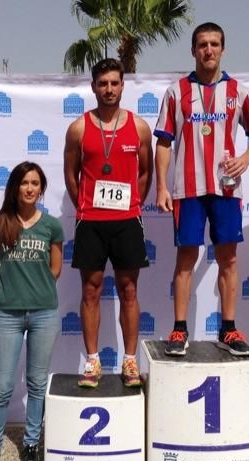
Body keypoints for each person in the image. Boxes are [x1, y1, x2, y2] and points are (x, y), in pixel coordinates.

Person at [154, 22, 249, 356]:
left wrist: (246, 158)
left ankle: (229, 329)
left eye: (214, 44)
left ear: (223, 49)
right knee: (186, 258)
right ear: (193, 50)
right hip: (187, 189)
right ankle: (179, 330)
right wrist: (161, 185)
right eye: (202, 44)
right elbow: (163, 143)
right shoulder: (176, 92)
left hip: (226, 189)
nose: (208, 50)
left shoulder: (239, 91)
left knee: (228, 259)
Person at [63, 58, 153, 388]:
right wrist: (84, 206)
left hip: (127, 220)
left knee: (130, 291)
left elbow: (145, 172)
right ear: (93, 87)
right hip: (91, 222)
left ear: (123, 86)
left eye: (115, 83)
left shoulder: (139, 127)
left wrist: (133, 204)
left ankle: (130, 362)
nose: (109, 89)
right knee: (91, 291)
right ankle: (93, 362)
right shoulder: (79, 128)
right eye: (103, 83)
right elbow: (70, 174)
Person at [0, 162, 63, 461]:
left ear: (41, 188)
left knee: (37, 385)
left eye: (35, 183)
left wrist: (35, 289)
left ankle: (31, 444)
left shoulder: (52, 226)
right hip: (8, 314)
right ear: (14, 187)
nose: (29, 188)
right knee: (1, 387)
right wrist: (15, 292)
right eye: (23, 183)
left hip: (44, 312)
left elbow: (55, 269)